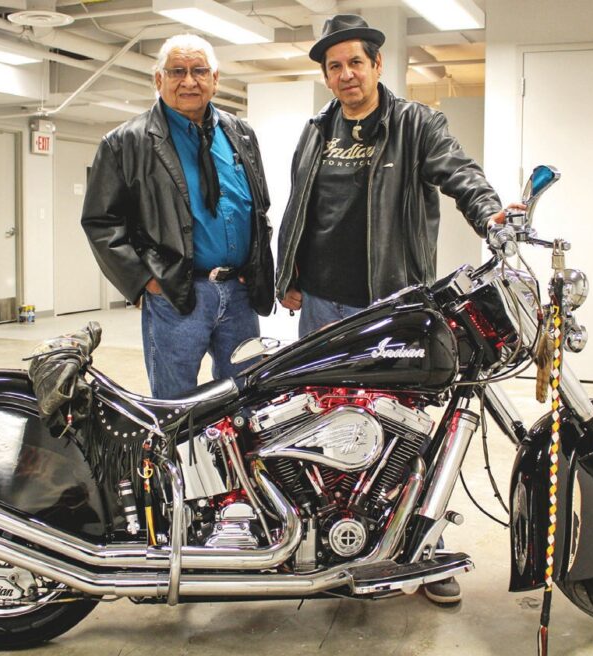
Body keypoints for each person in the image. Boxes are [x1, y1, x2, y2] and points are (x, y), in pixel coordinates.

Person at [275, 15, 523, 604]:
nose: (345, 74)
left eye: (355, 62)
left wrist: (490, 213)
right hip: (321, 306)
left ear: (377, 64)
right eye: (334, 66)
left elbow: (460, 174)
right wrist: (289, 277)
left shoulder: (414, 124)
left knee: (409, 427)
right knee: (325, 424)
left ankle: (425, 551)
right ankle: (339, 540)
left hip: (389, 304)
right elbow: (300, 207)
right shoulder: (317, 130)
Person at [82, 34, 274, 399]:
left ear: (215, 79)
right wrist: (145, 282)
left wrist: (255, 265)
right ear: (159, 80)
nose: (189, 81)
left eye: (200, 71)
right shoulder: (125, 143)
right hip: (177, 294)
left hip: (239, 295)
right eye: (177, 71)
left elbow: (259, 205)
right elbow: (101, 222)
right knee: (176, 405)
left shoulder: (240, 134)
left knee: (248, 397)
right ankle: (182, 459)